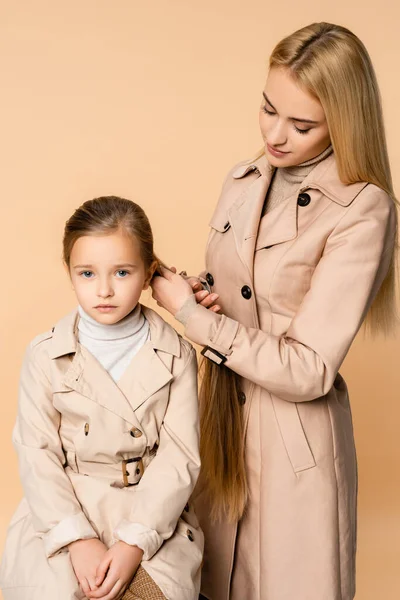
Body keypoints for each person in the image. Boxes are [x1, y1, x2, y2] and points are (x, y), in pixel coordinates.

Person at [151, 22, 398, 600]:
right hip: (220, 427)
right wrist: (200, 293)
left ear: (344, 120)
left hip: (295, 448)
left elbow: (311, 368)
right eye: (268, 109)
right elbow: (245, 297)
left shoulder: (364, 209)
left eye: (302, 124)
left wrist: (194, 317)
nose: (276, 135)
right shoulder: (243, 180)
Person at [0, 196, 203, 600]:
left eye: (122, 272)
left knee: (151, 592)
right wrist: (77, 540)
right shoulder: (45, 354)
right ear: (69, 273)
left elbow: (181, 457)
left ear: (148, 274)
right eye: (88, 273)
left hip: (151, 515)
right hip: (63, 512)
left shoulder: (177, 353)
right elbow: (36, 453)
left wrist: (133, 544)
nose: (104, 290)